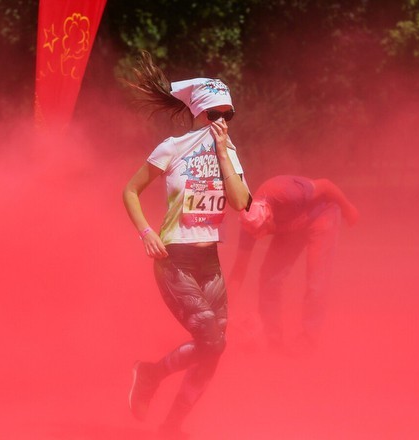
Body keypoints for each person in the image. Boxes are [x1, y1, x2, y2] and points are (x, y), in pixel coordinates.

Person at [122, 51, 251, 437]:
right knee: (210, 339)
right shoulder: (172, 147)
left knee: (217, 347)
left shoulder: (228, 151)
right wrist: (146, 233)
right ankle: (150, 375)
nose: (221, 122)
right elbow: (130, 190)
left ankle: (173, 425)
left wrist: (225, 155)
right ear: (198, 114)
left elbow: (242, 202)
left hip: (208, 259)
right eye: (214, 115)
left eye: (228, 115)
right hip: (174, 258)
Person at [228, 175, 359, 354]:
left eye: (264, 232)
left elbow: (327, 186)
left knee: (316, 281)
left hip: (321, 215)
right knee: (269, 277)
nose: (261, 236)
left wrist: (347, 207)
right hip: (292, 227)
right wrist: (224, 312)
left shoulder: (286, 193)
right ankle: (272, 338)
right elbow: (239, 270)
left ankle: (308, 339)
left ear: (269, 218)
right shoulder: (249, 224)